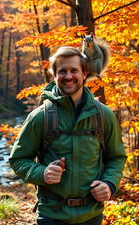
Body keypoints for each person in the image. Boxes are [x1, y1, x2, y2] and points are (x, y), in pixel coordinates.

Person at [9, 46, 126, 225]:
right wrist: (42, 173)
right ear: (54, 75)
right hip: (51, 215)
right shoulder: (40, 116)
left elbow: (116, 157)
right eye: (62, 71)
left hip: (91, 215)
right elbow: (18, 159)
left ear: (85, 73)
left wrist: (109, 184)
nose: (68, 76)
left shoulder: (103, 115)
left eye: (74, 70)